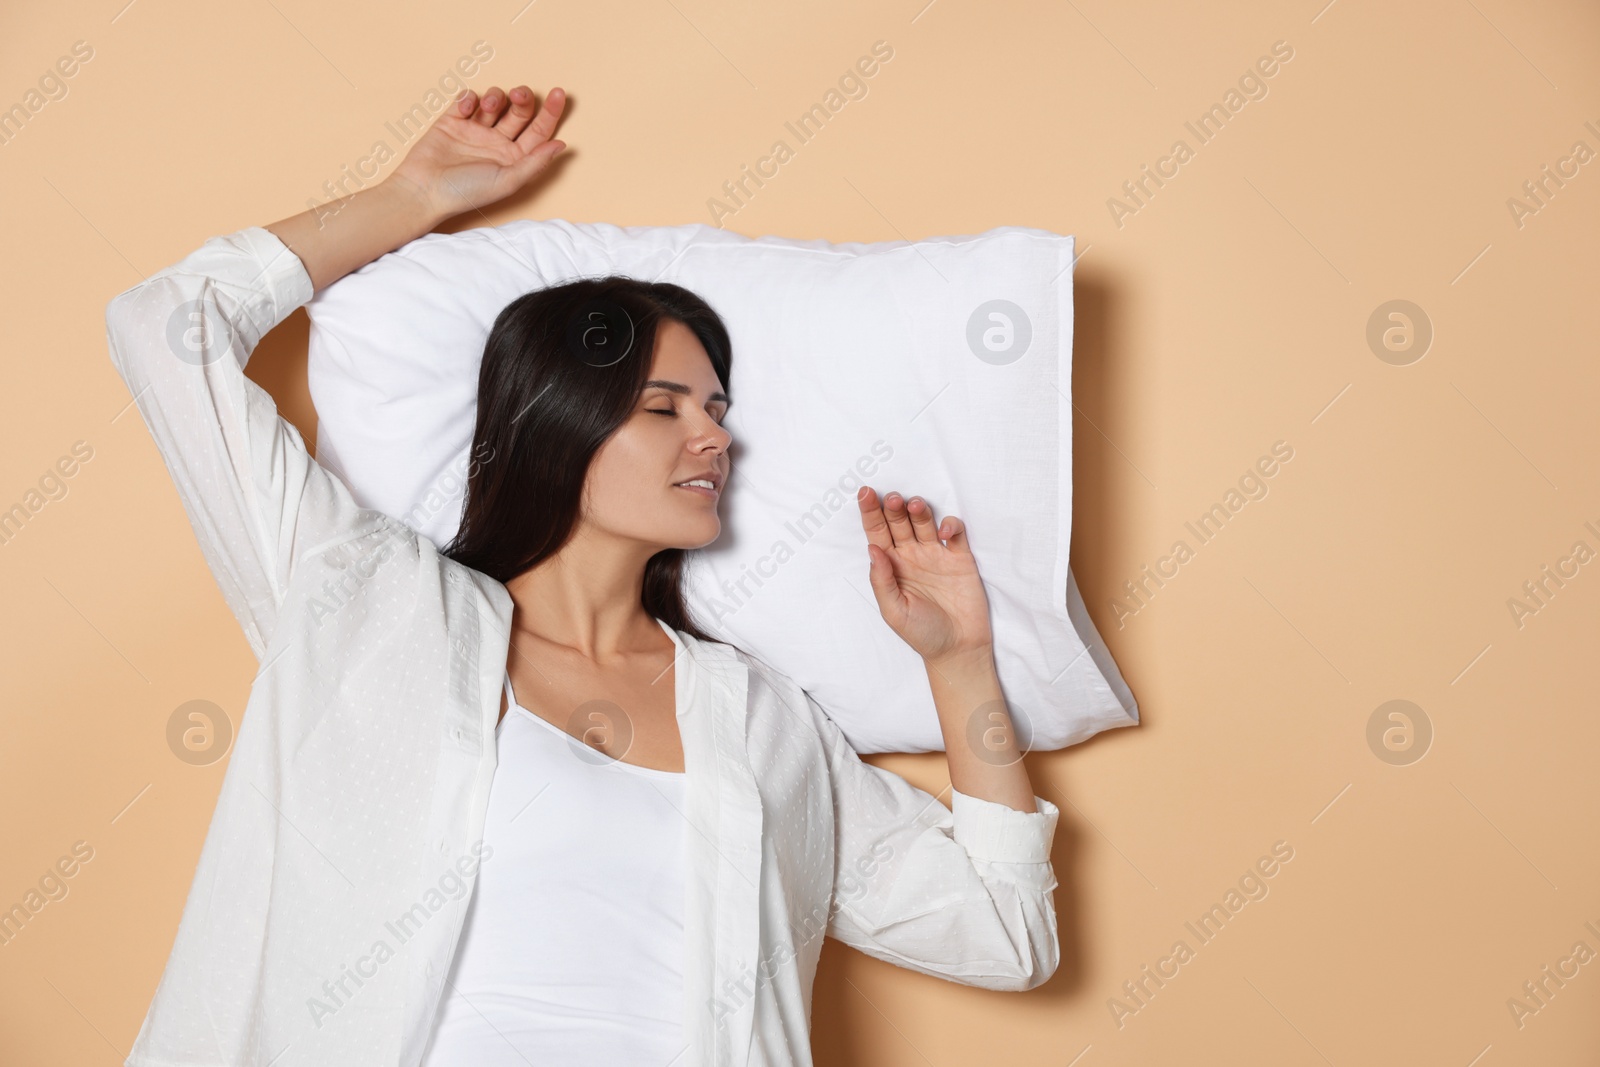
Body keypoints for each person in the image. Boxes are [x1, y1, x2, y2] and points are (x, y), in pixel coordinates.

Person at [107, 81, 1061, 1067]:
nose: (713, 436)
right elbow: (164, 327)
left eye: (718, 407)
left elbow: (1003, 935)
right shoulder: (368, 600)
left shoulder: (763, 719)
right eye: (664, 406)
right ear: (552, 424)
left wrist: (958, 661)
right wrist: (412, 197)